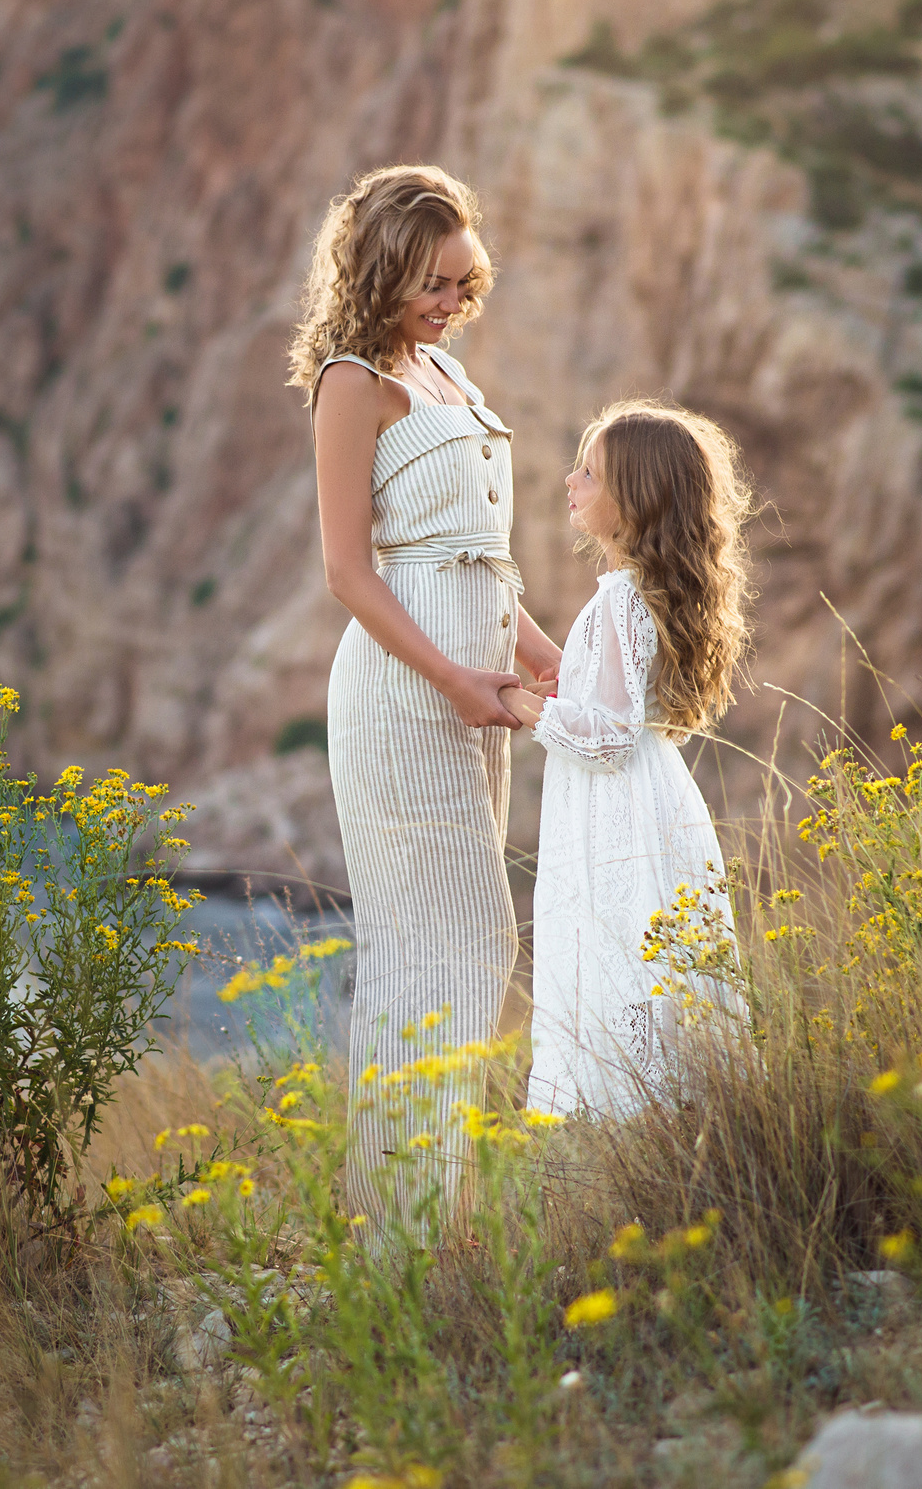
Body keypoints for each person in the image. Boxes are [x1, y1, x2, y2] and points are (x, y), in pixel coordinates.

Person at [289, 164, 562, 1219]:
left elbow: (473, 554)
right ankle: (403, 1224)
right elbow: (347, 570)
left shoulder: (445, 372)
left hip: (474, 686)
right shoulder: (352, 380)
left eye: (462, 281)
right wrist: (451, 677)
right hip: (407, 695)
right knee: (449, 939)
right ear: (381, 271)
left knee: (458, 941)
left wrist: (537, 651)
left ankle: (417, 1211)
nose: (452, 302)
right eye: (433, 283)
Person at [498, 399, 754, 1115]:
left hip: (616, 810)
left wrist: (518, 703)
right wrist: (565, 691)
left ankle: (633, 1115)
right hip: (649, 795)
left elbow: (607, 736)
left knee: (620, 957)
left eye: (589, 472)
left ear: (634, 499)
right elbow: (621, 709)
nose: (570, 481)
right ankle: (668, 1114)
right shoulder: (640, 594)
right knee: (650, 965)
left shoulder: (620, 601)